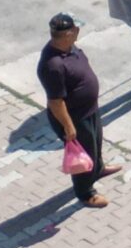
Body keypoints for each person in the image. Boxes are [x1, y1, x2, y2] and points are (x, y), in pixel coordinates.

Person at [39, 13, 116, 209]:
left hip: (89, 109)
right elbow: (56, 102)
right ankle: (85, 192)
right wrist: (68, 126)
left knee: (96, 141)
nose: (78, 31)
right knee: (82, 154)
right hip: (74, 117)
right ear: (66, 34)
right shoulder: (52, 65)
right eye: (75, 29)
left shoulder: (70, 47)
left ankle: (98, 169)